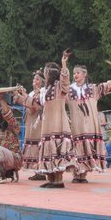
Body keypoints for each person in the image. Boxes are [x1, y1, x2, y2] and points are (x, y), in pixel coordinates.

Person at [66, 64, 111, 183]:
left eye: (78, 72)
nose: (75, 75)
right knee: (77, 148)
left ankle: (83, 174)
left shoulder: (93, 89)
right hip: (77, 126)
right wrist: (63, 66)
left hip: (90, 125)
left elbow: (109, 85)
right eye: (74, 73)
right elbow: (60, 89)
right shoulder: (69, 91)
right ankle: (77, 174)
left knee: (88, 148)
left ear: (84, 74)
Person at [31, 53, 76, 188]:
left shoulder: (59, 87)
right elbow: (37, 103)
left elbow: (66, 81)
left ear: (51, 74)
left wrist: (63, 65)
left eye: (46, 72)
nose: (44, 75)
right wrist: (24, 96)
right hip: (47, 125)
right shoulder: (45, 90)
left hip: (58, 123)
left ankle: (58, 181)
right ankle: (51, 179)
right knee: (48, 150)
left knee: (57, 150)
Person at [13, 68, 46, 181]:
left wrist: (24, 95)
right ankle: (37, 171)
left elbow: (34, 107)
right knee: (32, 144)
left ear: (42, 82)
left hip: (38, 122)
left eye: (37, 79)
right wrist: (18, 95)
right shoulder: (33, 93)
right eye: (34, 79)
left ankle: (41, 171)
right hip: (31, 122)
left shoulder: (43, 92)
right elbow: (27, 103)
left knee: (38, 145)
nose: (34, 81)